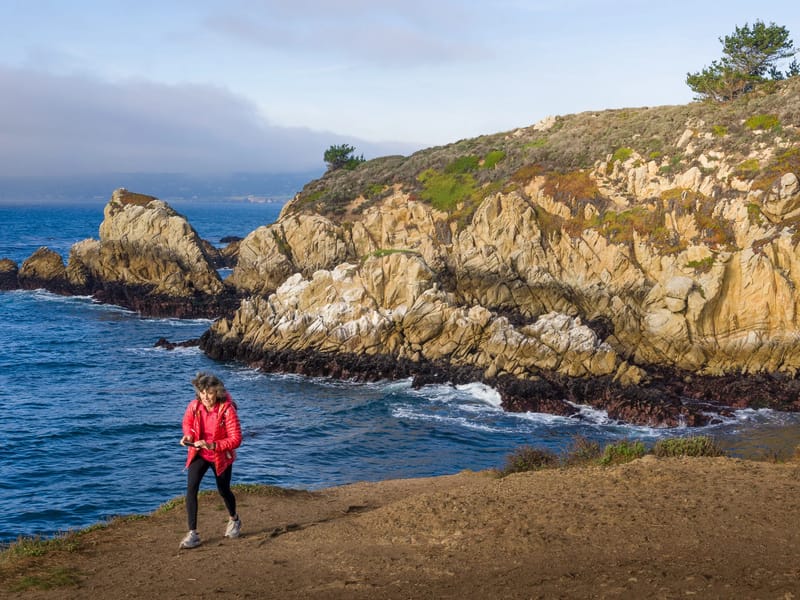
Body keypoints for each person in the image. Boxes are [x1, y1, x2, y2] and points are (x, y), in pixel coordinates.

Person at [178, 372, 242, 549]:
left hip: (220, 455)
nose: (205, 397)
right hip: (199, 453)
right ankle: (193, 533)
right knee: (191, 489)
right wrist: (188, 435)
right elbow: (187, 423)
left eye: (210, 392)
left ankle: (234, 519)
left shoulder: (227, 410)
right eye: (202, 392)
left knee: (224, 490)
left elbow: (236, 439)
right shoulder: (194, 406)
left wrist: (212, 445)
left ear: (218, 392)